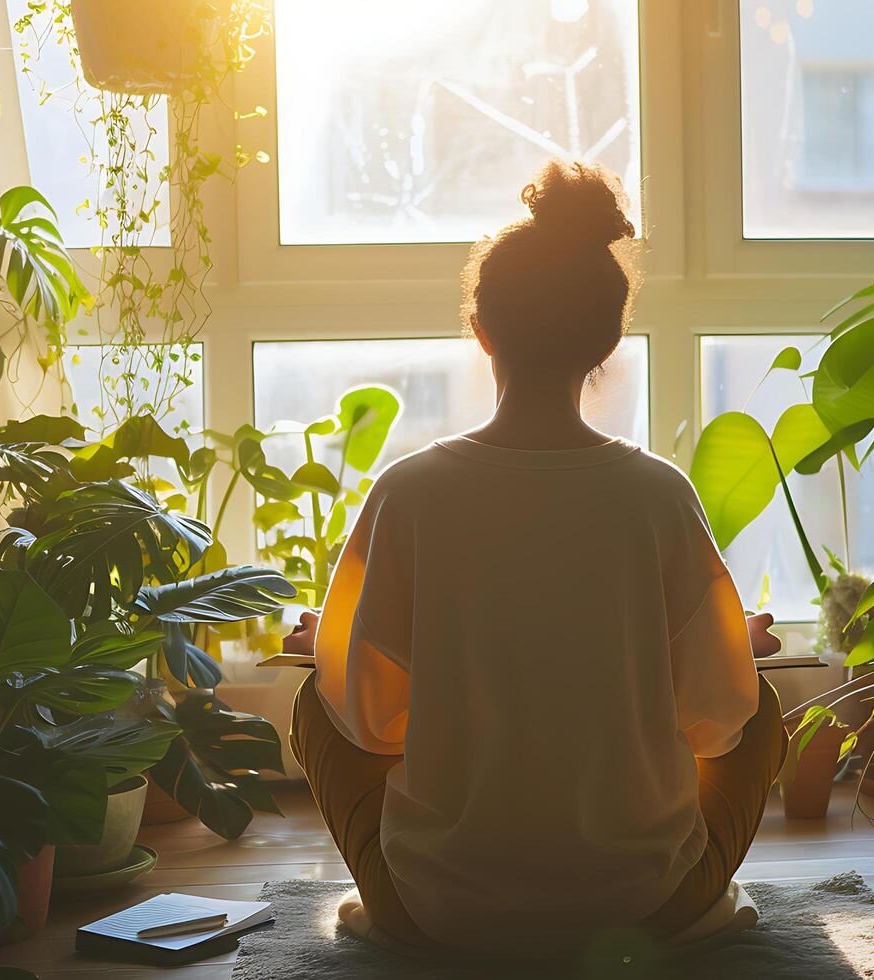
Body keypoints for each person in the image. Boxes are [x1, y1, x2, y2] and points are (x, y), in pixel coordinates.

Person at [286, 159, 788, 960]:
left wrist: (331, 648)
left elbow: (370, 723)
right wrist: (734, 651)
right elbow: (716, 725)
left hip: (438, 909)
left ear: (481, 331)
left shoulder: (408, 493)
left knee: (316, 701)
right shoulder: (657, 495)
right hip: (644, 904)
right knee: (758, 713)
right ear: (608, 340)